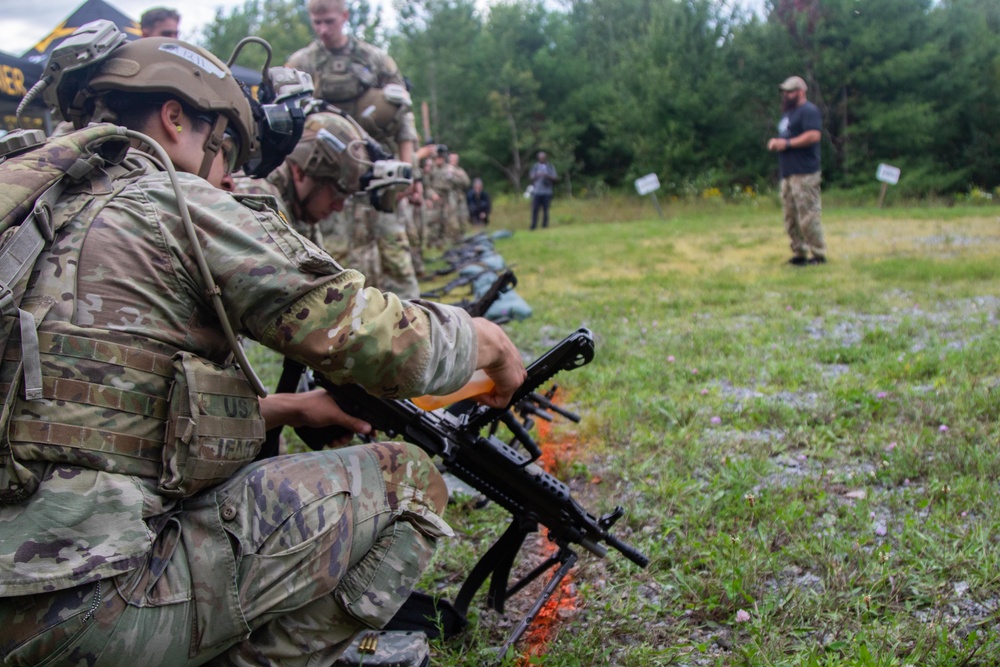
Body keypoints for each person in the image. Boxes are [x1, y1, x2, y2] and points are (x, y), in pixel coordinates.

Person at [0, 33, 526, 667]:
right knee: (405, 482)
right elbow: (377, 340)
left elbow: (83, 413)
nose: (228, 174)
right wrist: (490, 343)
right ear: (175, 118)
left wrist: (287, 410)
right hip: (83, 614)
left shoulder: (25, 206)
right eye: (224, 149)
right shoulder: (174, 202)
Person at [287, 0, 422, 298]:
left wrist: (409, 172)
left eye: (329, 22)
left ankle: (415, 325)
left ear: (345, 17)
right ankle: (348, 324)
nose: (323, 29)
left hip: (379, 172)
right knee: (334, 257)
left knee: (394, 253)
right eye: (316, 22)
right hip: (324, 180)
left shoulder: (376, 61)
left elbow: (403, 121)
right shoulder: (301, 64)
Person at [767, 75, 827, 265]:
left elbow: (814, 135)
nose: (786, 95)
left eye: (790, 91)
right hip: (788, 172)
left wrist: (787, 143)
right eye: (785, 91)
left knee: (808, 215)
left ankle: (818, 254)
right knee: (790, 217)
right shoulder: (788, 114)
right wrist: (776, 143)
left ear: (801, 92)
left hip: (805, 172)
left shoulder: (809, 111)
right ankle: (799, 253)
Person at [528, 150, 557, 230]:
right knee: (535, 209)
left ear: (546, 158)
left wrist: (546, 176)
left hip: (547, 192)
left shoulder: (550, 167)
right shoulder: (535, 167)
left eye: (543, 157)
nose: (542, 159)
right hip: (537, 191)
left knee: (546, 209)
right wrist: (537, 175)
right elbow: (531, 177)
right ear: (538, 158)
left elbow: (555, 178)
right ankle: (533, 225)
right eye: (541, 158)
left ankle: (545, 225)